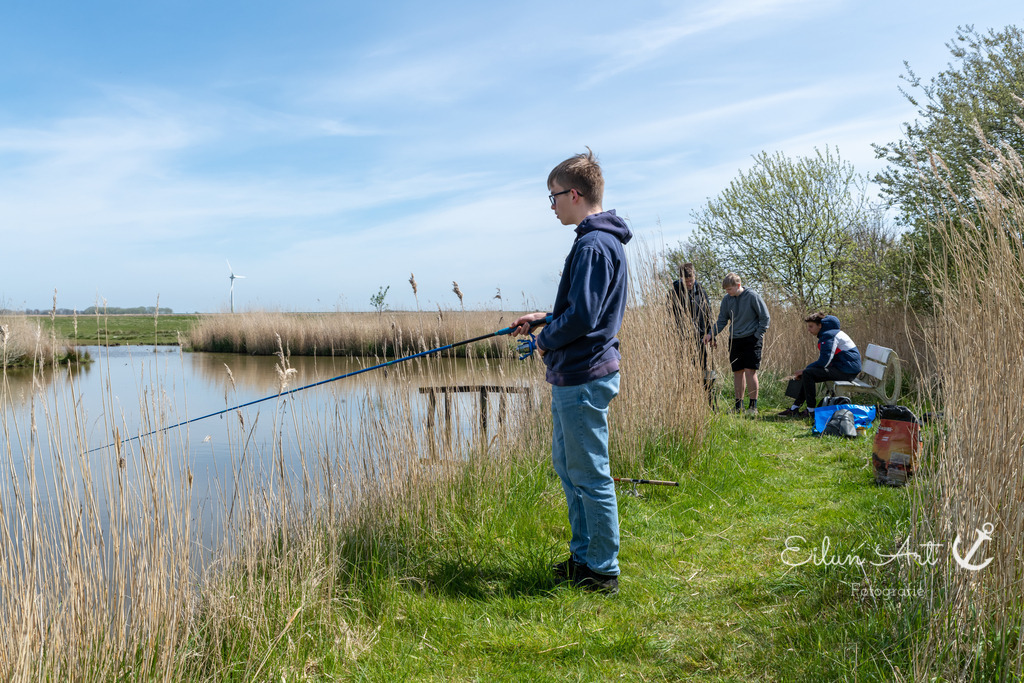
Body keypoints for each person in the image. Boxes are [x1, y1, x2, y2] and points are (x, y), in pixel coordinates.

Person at [511, 149, 631, 595]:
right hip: (574, 375)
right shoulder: (595, 242)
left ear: (575, 194)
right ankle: (584, 556)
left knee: (591, 473)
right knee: (570, 468)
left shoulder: (594, 244)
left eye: (554, 196)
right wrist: (544, 318)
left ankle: (602, 571)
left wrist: (542, 340)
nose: (552, 205)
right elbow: (581, 310)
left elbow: (583, 319)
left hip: (583, 375)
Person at [702, 273, 770, 416]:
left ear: (738, 286)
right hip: (735, 339)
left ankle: (753, 407)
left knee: (750, 371)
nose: (728, 292)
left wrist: (757, 335)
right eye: (726, 290)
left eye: (730, 289)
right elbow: (722, 321)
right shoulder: (727, 300)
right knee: (737, 372)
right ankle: (739, 406)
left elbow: (765, 318)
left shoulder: (752, 296)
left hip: (752, 338)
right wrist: (711, 334)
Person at [778, 313, 862, 417]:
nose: (809, 330)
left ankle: (811, 411)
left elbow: (824, 361)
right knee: (807, 374)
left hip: (847, 371)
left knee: (808, 373)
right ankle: (795, 408)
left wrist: (805, 370)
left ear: (820, 325)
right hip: (844, 369)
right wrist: (805, 371)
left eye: (811, 326)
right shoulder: (831, 333)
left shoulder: (829, 335)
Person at [669, 263, 714, 405]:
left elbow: (708, 313)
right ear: (681, 278)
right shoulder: (674, 293)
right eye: (686, 281)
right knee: (683, 370)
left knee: (704, 369)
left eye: (691, 280)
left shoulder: (701, 290)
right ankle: (686, 401)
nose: (689, 283)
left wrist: (711, 334)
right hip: (681, 338)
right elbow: (670, 317)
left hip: (701, 338)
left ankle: (708, 401)